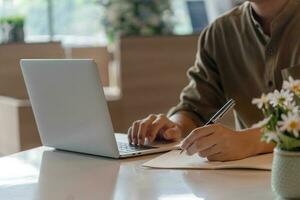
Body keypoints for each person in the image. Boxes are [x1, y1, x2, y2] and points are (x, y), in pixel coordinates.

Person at [127, 0, 300, 161]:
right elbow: (195, 108)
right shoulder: (221, 32)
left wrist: (251, 141)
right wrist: (173, 128)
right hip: (244, 180)